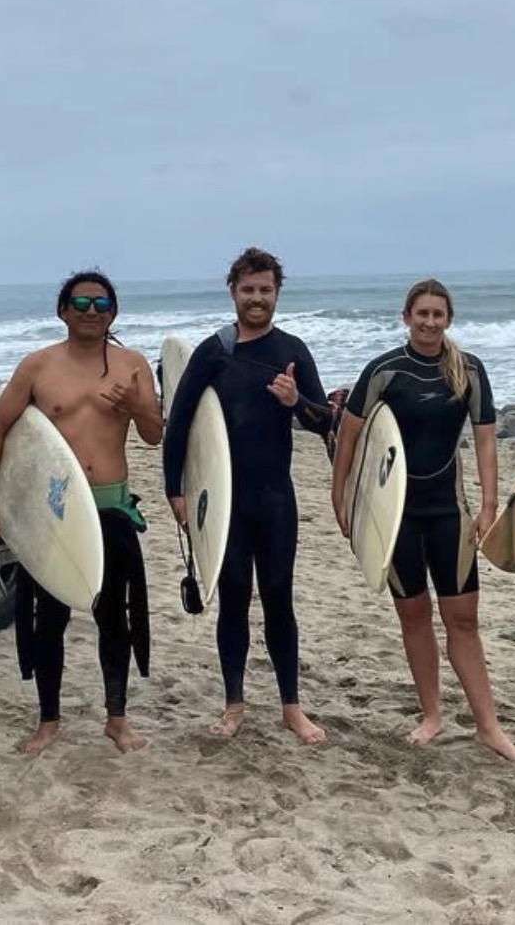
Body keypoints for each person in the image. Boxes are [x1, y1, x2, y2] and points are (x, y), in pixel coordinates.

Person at [329, 279, 515, 760]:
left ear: (448, 319)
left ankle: (488, 726)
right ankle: (433, 714)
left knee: (463, 619)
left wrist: (487, 505)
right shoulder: (383, 371)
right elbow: (351, 439)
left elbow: (485, 441)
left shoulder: (468, 370)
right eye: (422, 313)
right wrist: (340, 497)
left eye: (439, 314)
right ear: (406, 316)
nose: (430, 322)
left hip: (447, 511)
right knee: (413, 614)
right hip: (393, 514)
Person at [0, 269, 163, 755]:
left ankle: (117, 720)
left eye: (101, 306)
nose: (91, 313)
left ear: (114, 313)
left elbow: (154, 434)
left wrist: (136, 405)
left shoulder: (133, 366)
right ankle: (48, 721)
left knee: (113, 617)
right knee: (48, 618)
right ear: (62, 311)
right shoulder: (38, 367)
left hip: (110, 507)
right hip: (52, 511)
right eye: (80, 304)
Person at [162, 247, 335, 744]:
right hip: (223, 501)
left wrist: (294, 400)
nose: (257, 298)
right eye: (248, 290)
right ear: (233, 292)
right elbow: (180, 422)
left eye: (265, 290)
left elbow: (322, 421)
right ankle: (234, 705)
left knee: (279, 598)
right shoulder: (214, 351)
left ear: (276, 293)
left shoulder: (292, 350)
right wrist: (175, 489)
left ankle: (291, 708)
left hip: (275, 498)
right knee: (233, 599)